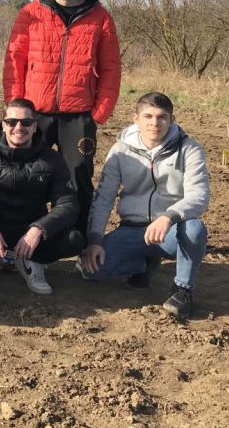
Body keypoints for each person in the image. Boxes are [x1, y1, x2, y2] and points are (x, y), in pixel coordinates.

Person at [2, 0, 121, 236]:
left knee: (78, 178)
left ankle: (76, 239)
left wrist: (99, 113)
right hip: (34, 112)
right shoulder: (30, 13)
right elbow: (14, 60)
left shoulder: (100, 17)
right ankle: (21, 236)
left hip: (79, 115)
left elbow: (111, 67)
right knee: (25, 174)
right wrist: (15, 106)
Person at [79, 92, 209, 320]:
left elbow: (199, 196)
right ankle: (143, 265)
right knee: (89, 270)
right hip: (132, 228)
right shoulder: (119, 151)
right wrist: (95, 239)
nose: (154, 123)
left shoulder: (189, 149)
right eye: (148, 116)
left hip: (171, 230)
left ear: (172, 119)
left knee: (194, 229)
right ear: (136, 119)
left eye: (162, 117)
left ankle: (183, 290)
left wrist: (168, 216)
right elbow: (104, 197)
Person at [0, 98, 84, 296]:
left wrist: (39, 229)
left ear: (34, 126)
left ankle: (31, 262)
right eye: (11, 122)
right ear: (3, 124)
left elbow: (68, 203)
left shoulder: (52, 158)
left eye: (26, 122)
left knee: (73, 240)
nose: (18, 127)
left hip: (30, 232)